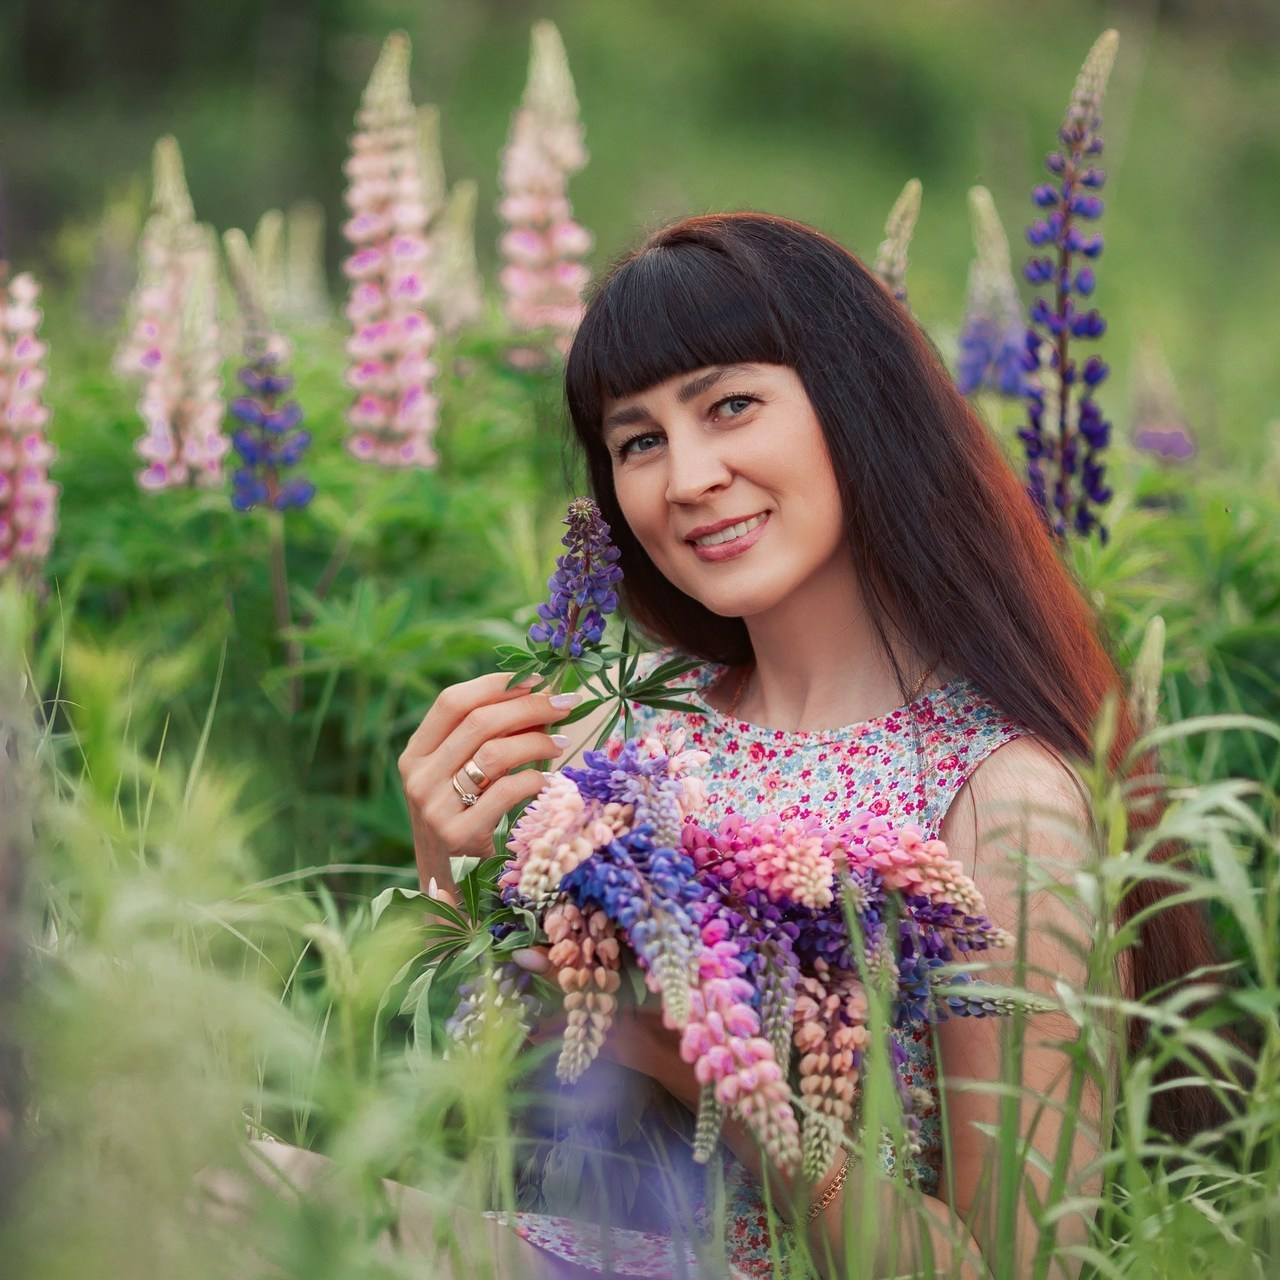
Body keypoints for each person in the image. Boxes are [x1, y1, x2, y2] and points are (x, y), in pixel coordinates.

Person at [398, 213, 1222, 1278]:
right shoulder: (624, 729)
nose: (686, 477)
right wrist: (446, 874)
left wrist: (726, 1085)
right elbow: (483, 1127)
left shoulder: (995, 794)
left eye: (729, 405)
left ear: (855, 403)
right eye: (637, 439)